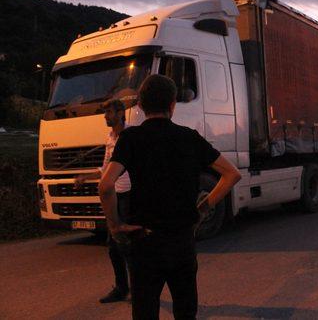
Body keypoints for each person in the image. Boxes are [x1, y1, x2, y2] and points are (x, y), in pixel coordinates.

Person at [98, 74, 241, 319]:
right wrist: (203, 208)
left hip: (145, 243)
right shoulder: (190, 138)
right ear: (173, 104)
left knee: (145, 311)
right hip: (182, 242)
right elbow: (231, 175)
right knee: (185, 312)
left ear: (140, 106)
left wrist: (115, 226)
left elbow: (106, 185)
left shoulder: (131, 139)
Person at [75, 98, 131, 303]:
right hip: (114, 196)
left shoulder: (129, 136)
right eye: (105, 112)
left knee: (127, 244)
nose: (105, 116)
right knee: (114, 244)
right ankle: (122, 288)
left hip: (128, 196)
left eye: (109, 112)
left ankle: (141, 287)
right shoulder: (110, 138)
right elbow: (106, 168)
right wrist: (85, 177)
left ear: (120, 113)